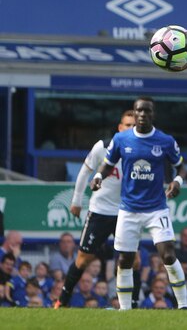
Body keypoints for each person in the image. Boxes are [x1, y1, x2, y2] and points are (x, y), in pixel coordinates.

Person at [90, 96, 187, 310]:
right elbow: (107, 165)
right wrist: (98, 177)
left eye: (147, 111)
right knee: (125, 260)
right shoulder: (121, 139)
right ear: (134, 114)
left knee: (168, 254)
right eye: (139, 111)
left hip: (156, 208)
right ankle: (126, 311)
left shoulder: (165, 141)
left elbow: (180, 166)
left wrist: (177, 181)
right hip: (128, 209)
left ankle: (183, 306)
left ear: (153, 114)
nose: (143, 114)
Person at [57, 110, 139, 309]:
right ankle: (62, 301)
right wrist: (76, 200)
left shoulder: (142, 151)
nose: (130, 129)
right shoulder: (103, 147)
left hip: (126, 212)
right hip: (100, 210)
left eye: (134, 126)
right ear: (120, 128)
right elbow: (85, 171)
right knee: (83, 259)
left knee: (133, 260)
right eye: (127, 125)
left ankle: (132, 306)